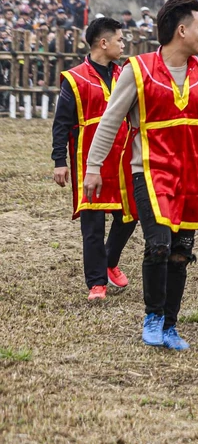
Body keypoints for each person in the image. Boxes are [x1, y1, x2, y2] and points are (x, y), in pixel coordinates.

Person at [85, 0, 198, 351]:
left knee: (181, 251)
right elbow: (109, 122)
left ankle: (170, 324)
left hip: (190, 177)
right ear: (181, 30)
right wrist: (93, 167)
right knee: (159, 245)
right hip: (150, 174)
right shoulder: (138, 70)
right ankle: (152, 317)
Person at [51, 17, 136, 301]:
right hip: (89, 160)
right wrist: (59, 160)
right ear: (104, 42)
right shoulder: (75, 79)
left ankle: (109, 261)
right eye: (119, 40)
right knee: (93, 224)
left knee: (131, 214)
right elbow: (61, 123)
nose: (123, 45)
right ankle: (97, 282)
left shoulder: (126, 73)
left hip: (124, 156)